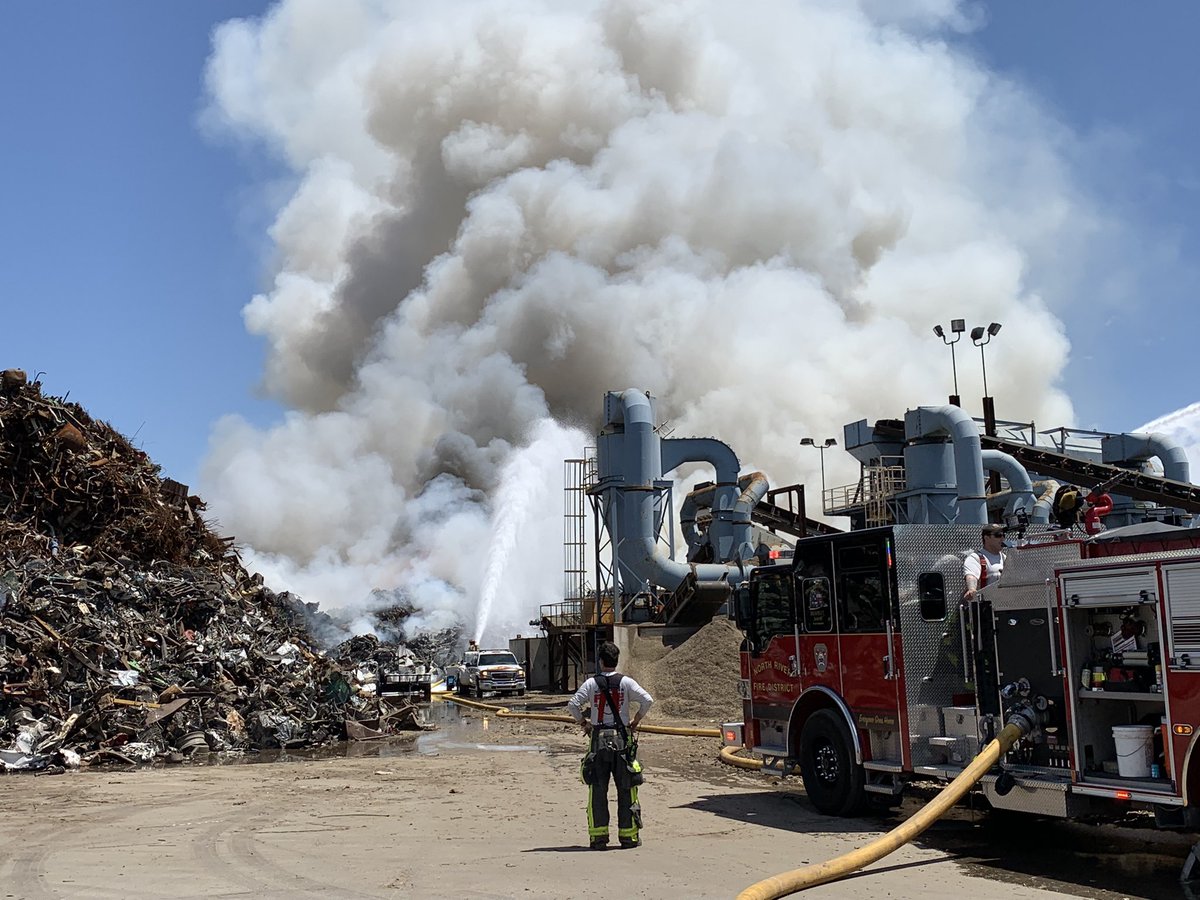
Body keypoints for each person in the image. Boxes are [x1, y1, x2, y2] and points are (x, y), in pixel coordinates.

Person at [567, 641, 654, 850]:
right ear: (616, 660)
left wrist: (583, 724)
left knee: (597, 789)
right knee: (627, 788)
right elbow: (647, 700)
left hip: (598, 740)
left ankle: (598, 838)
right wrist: (635, 721)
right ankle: (628, 837)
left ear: (600, 661)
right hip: (622, 739)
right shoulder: (627, 683)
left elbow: (572, 705)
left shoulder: (590, 684)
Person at [963, 524, 1006, 600]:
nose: (1002, 538)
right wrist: (972, 589)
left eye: (1003, 535)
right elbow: (971, 576)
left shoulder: (1005, 557)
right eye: (998, 535)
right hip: (986, 604)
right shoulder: (975, 557)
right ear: (986, 538)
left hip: (1005, 601)